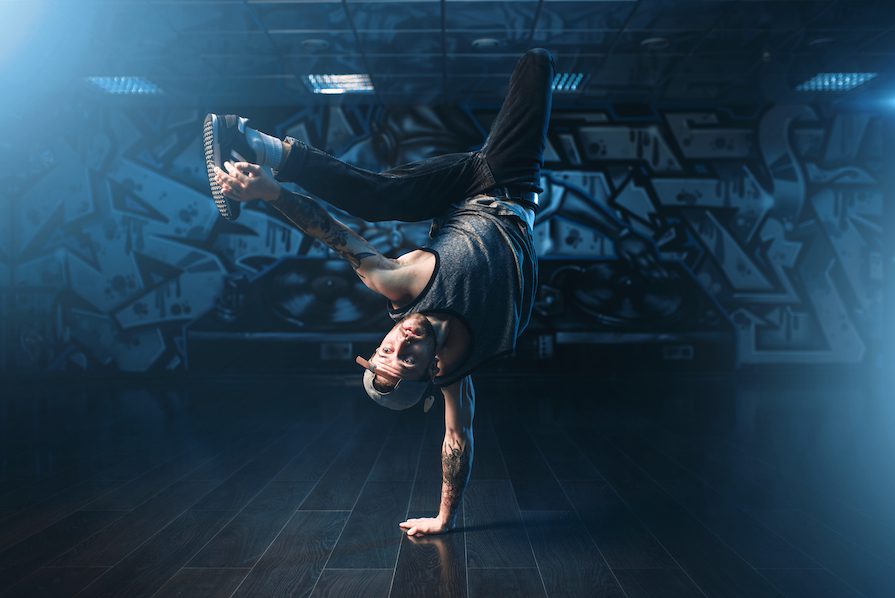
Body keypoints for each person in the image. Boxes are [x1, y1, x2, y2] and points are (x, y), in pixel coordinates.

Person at [204, 48, 554, 536]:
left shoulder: (399, 287)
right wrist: (444, 517)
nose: (403, 338)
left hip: (455, 192)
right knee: (538, 62)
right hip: (512, 186)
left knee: (379, 197)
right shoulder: (456, 369)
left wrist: (271, 193)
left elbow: (331, 232)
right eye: (407, 356)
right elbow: (457, 437)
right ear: (432, 369)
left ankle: (256, 143)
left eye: (387, 348)